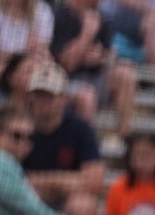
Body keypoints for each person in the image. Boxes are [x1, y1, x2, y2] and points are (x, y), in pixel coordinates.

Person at [19, 59, 104, 213]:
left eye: (50, 95)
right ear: (30, 97)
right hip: (25, 197)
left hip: (66, 200)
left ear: (63, 98)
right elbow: (8, 178)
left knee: (84, 206)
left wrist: (40, 181)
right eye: (39, 95)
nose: (43, 101)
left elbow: (94, 181)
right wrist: (65, 181)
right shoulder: (19, 127)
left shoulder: (80, 129)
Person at [49, 0, 136, 136]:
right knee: (87, 96)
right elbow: (67, 64)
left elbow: (111, 55)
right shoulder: (59, 15)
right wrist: (87, 33)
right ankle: (88, 145)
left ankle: (124, 137)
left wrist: (100, 57)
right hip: (65, 80)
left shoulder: (100, 16)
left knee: (126, 74)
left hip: (96, 77)